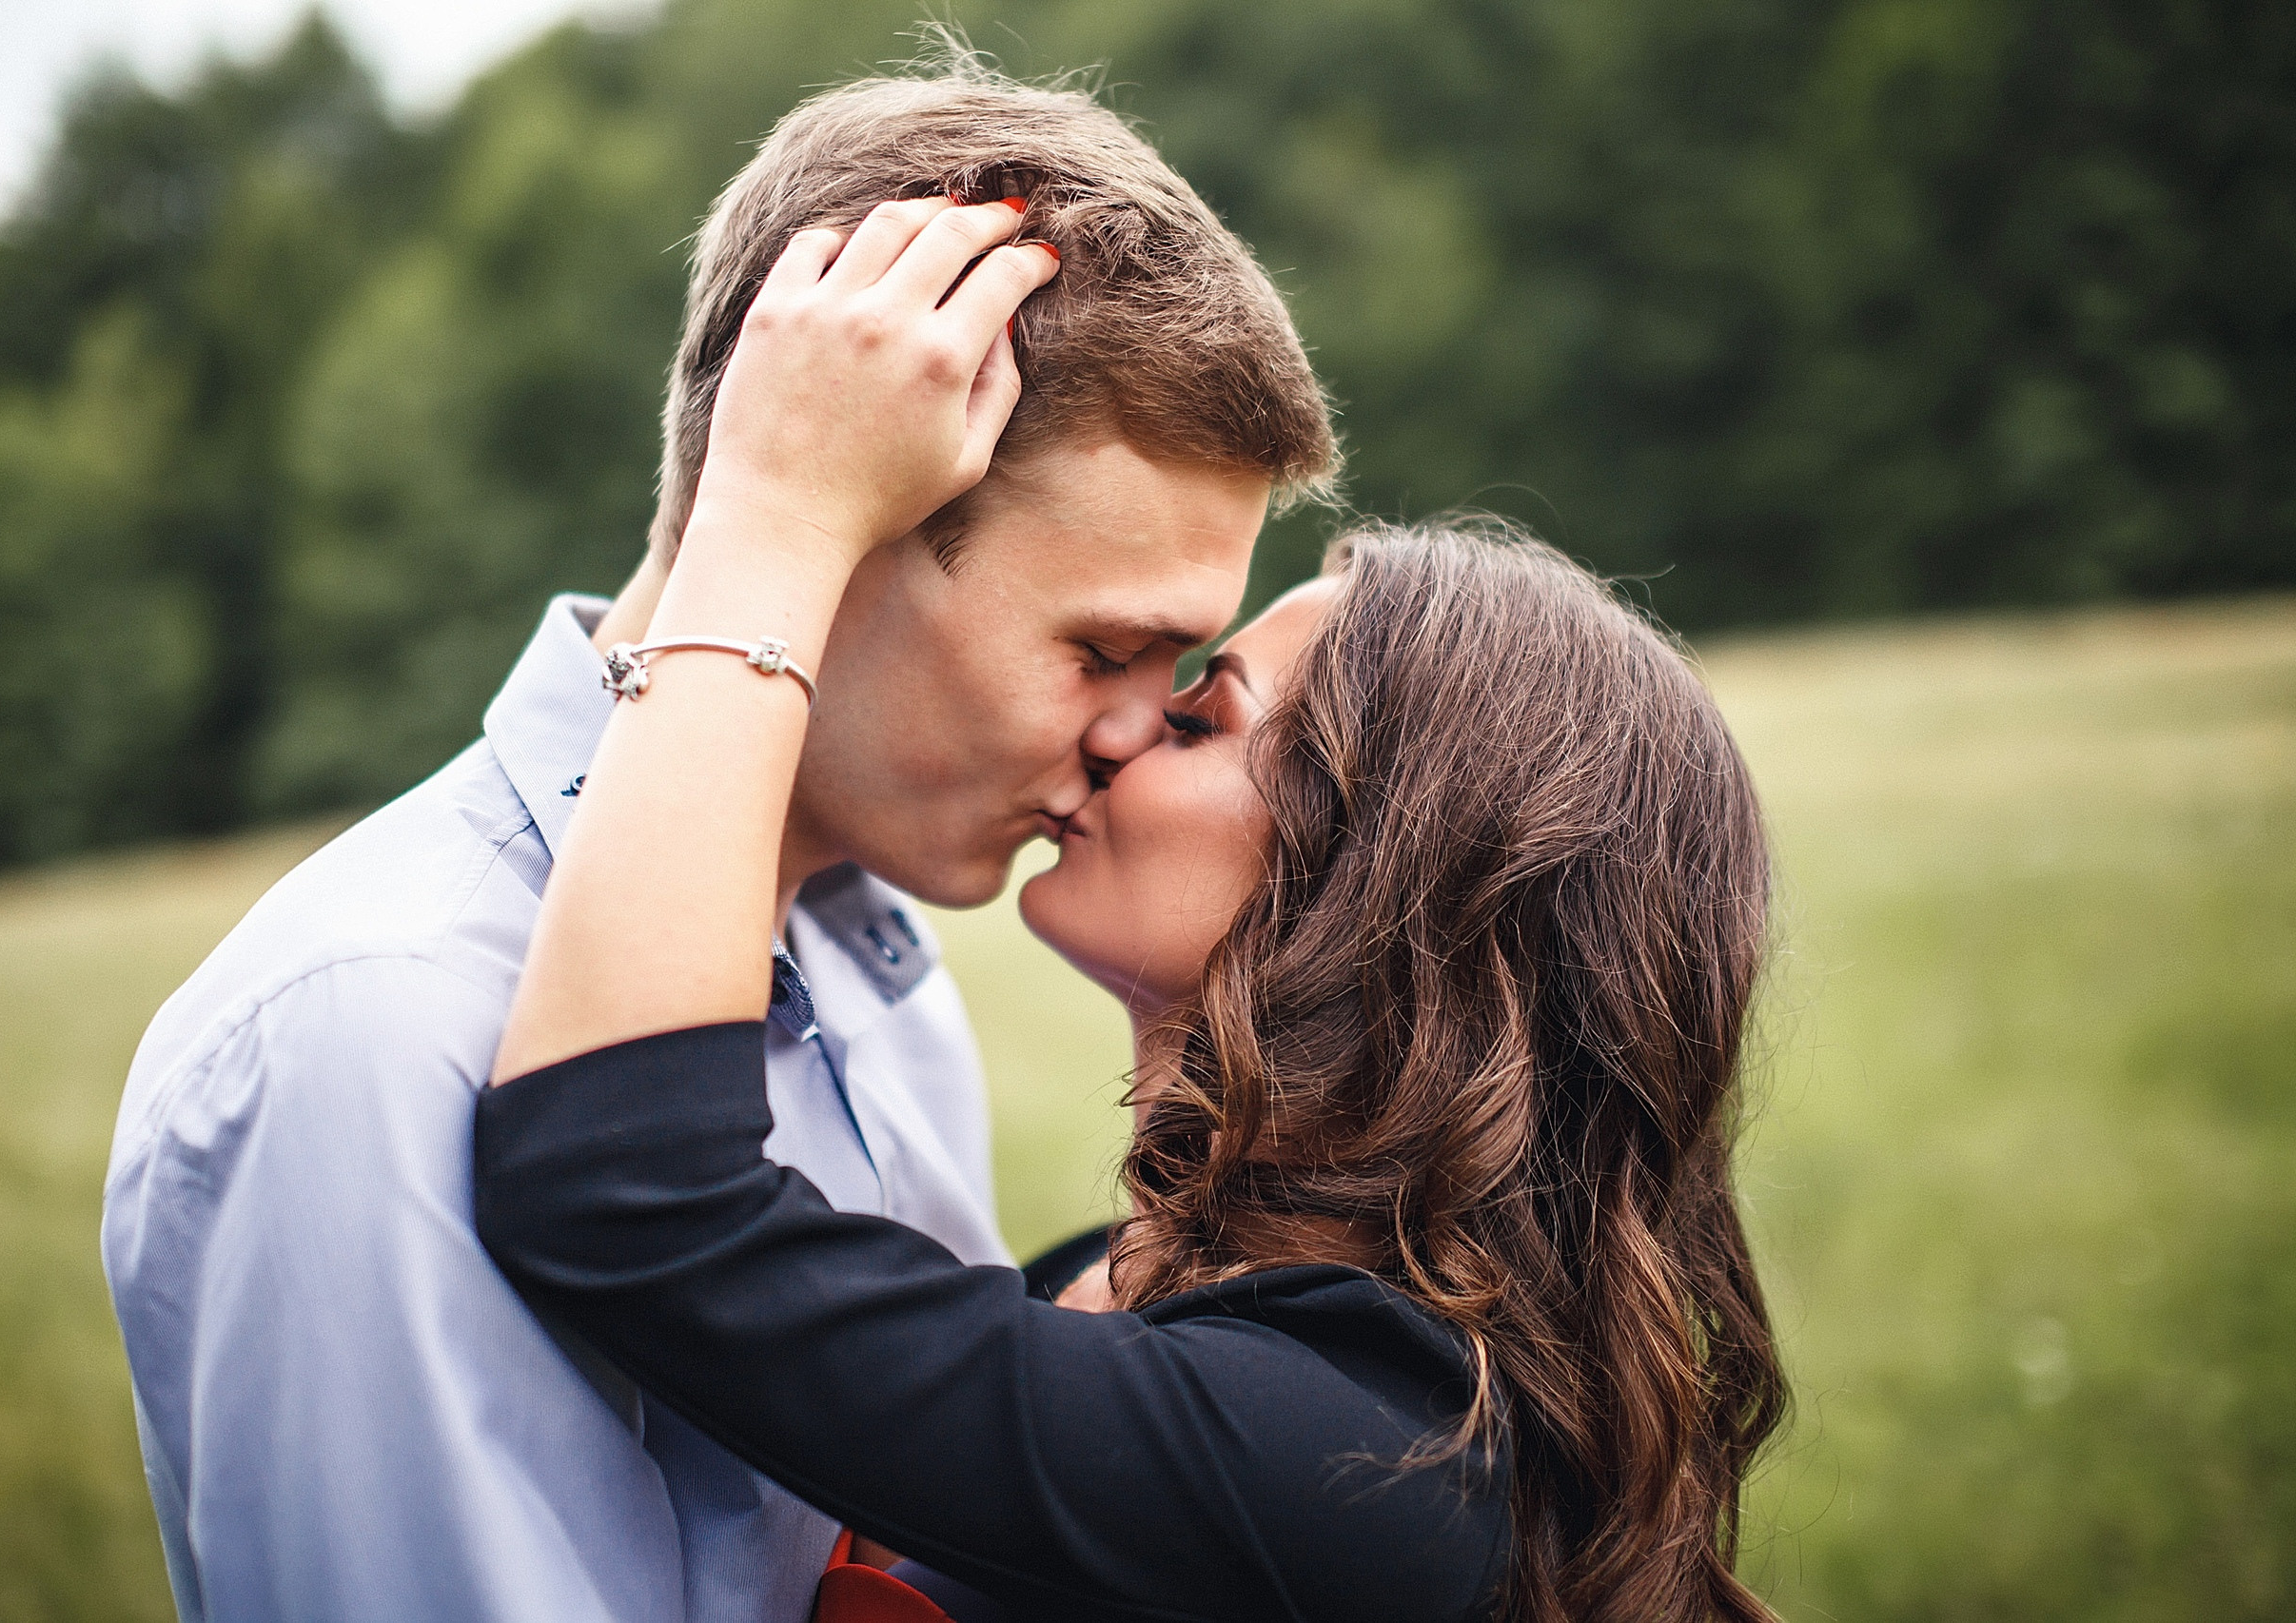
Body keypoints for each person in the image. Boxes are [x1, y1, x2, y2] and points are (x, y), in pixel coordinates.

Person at [100, 58, 1334, 1623]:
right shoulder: (375, 1029)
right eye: (1100, 649)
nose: (1129, 733)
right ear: (842, 515)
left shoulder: (872, 965)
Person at [472, 199, 1788, 1618]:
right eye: (1112, 659)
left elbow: (630, 1196)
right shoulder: (1131, 1300)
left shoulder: (1354, 1460)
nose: (1117, 732)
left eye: (1200, 707)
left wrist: (780, 513)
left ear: (1374, 883)